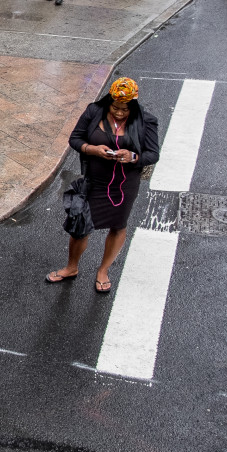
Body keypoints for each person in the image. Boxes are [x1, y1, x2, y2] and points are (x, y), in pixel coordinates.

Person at [47, 78, 160, 294]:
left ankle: (103, 271)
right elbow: (75, 139)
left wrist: (133, 156)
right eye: (115, 107)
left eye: (124, 109)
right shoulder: (94, 111)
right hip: (94, 181)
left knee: (118, 225)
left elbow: (153, 154)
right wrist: (92, 149)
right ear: (109, 100)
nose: (118, 113)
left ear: (133, 106)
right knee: (80, 226)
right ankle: (72, 267)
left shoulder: (147, 121)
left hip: (124, 186)